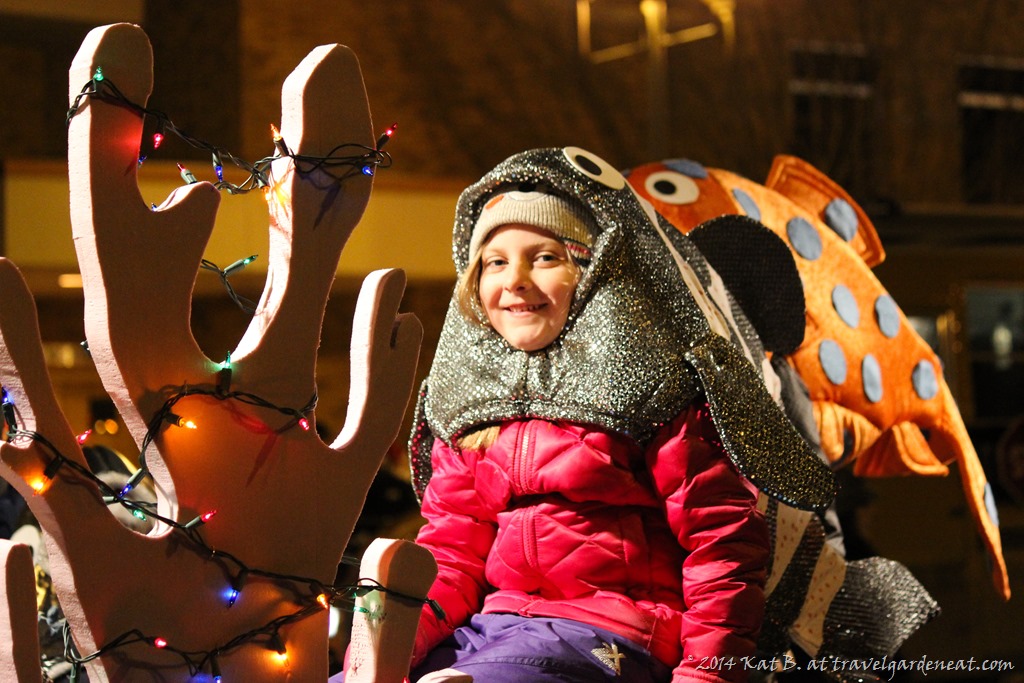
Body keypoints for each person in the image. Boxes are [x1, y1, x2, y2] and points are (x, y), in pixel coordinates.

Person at [396, 147, 834, 683]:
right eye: (495, 262)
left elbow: (721, 545)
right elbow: (453, 551)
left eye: (545, 257)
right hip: (497, 627)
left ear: (595, 270)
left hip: (615, 637)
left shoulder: (655, 395)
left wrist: (707, 674)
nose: (515, 279)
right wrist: (399, 639)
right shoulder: (474, 413)